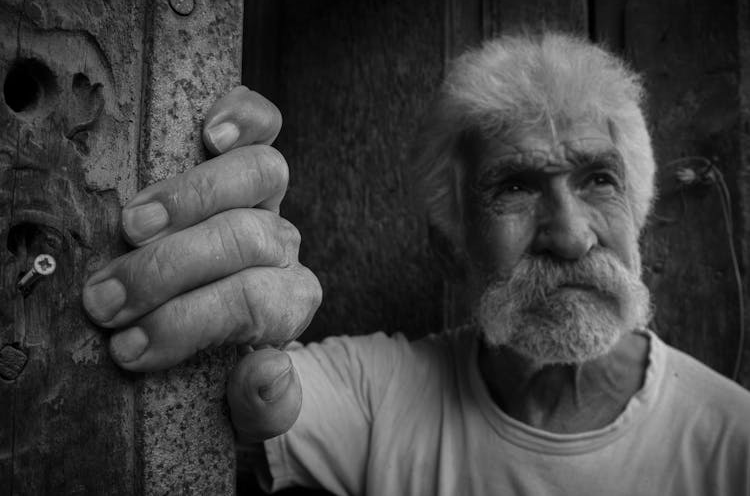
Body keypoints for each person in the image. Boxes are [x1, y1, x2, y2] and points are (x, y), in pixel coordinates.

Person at [83, 33, 750, 495]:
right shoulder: (382, 396)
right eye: (515, 187)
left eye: (599, 179)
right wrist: (229, 285)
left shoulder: (734, 443)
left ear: (639, 210)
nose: (571, 237)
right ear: (450, 239)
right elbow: (208, 410)